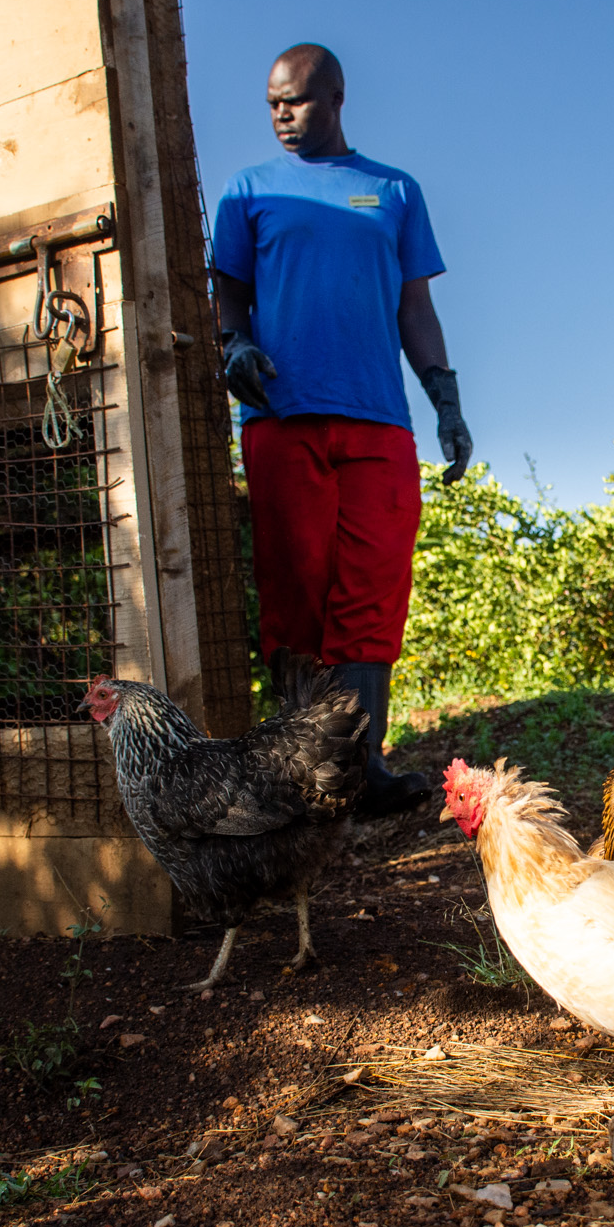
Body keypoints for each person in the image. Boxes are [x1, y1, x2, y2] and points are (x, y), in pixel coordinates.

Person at [211, 43, 472, 814]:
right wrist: (235, 345)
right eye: (270, 104)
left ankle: (362, 771)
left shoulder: (392, 192)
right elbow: (228, 292)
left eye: (293, 100)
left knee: (374, 588)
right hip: (284, 418)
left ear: (335, 98)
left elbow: (414, 309)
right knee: (295, 590)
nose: (280, 115)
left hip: (379, 423)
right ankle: (297, 778)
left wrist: (446, 402)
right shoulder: (247, 192)